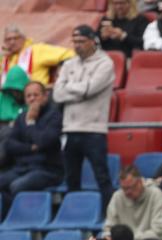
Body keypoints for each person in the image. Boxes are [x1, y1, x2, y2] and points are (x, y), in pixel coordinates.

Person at [52, 25, 116, 207]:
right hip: (70, 129)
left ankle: (109, 215)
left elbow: (91, 89)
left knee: (102, 177)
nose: (77, 45)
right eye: (75, 42)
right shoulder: (68, 64)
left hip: (93, 129)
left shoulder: (105, 63)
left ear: (92, 41)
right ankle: (74, 213)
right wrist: (79, 88)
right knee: (71, 179)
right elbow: (57, 94)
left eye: (81, 42)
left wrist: (69, 87)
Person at [0, 81, 62, 217]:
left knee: (16, 186)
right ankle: (5, 223)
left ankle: (17, 219)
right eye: (28, 96)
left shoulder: (54, 116)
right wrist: (31, 148)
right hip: (22, 168)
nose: (32, 98)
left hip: (47, 169)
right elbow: (9, 145)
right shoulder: (21, 117)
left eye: (36, 95)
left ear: (45, 96)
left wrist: (31, 122)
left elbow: (43, 142)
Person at [1, 25, 74, 86]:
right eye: (8, 40)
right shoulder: (4, 59)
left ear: (24, 38)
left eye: (16, 38)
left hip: (33, 98)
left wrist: (61, 68)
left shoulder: (38, 50)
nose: (12, 42)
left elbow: (70, 54)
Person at [0, 65, 27, 166]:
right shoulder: (2, 98)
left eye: (17, 90)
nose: (15, 93)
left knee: (8, 132)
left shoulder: (31, 99)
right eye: (12, 89)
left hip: (21, 136)